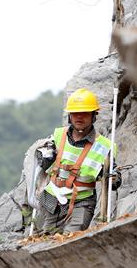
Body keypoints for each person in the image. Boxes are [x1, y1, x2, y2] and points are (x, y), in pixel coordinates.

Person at [35, 88, 120, 235]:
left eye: (85, 113)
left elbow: (114, 176)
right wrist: (45, 158)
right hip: (53, 200)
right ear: (69, 115)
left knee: (70, 239)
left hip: (82, 202)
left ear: (94, 115)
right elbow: (42, 163)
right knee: (46, 239)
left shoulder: (104, 146)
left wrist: (114, 177)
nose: (79, 117)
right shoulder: (58, 136)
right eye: (75, 113)